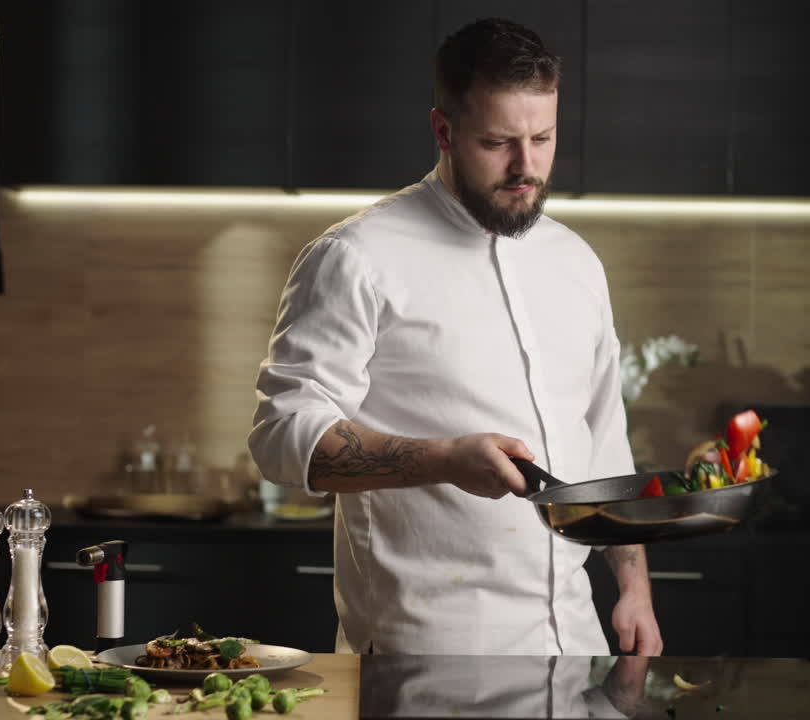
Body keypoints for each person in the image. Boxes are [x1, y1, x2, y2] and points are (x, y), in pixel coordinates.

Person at [248, 17, 662, 656]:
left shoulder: (576, 261)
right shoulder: (356, 256)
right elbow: (281, 439)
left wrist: (634, 586)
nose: (527, 166)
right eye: (498, 142)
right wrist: (441, 459)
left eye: (543, 138)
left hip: (575, 652)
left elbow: (604, 442)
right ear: (443, 130)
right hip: (425, 658)